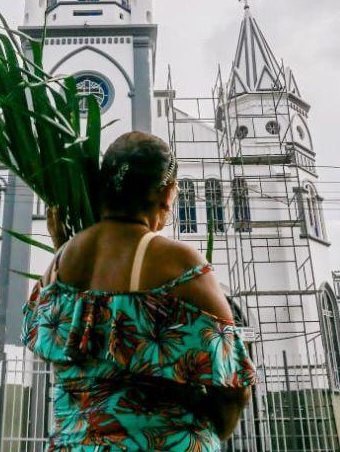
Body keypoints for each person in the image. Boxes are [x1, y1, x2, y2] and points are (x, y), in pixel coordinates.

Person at [23, 132, 254, 451]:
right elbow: (234, 386)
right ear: (167, 193)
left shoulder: (60, 264)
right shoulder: (178, 263)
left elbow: (67, 342)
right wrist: (214, 432)